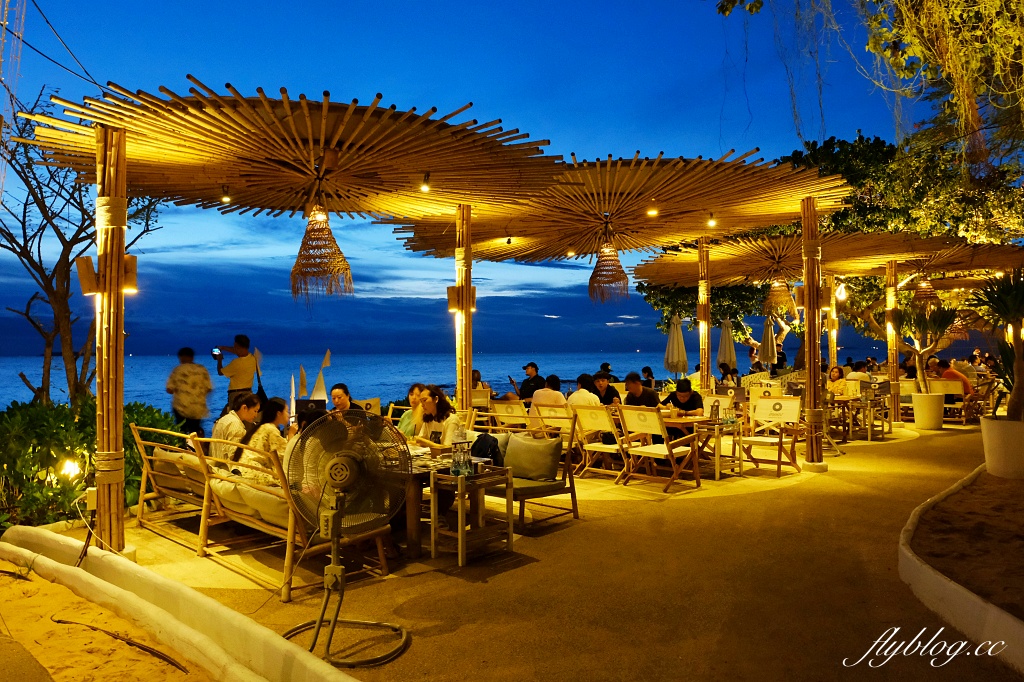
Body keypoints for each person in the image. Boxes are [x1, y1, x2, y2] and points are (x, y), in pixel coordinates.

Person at [244, 397, 297, 485]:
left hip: (246, 468)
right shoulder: (271, 429)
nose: (288, 415)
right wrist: (291, 435)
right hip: (254, 472)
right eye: (286, 412)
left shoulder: (263, 427)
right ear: (279, 413)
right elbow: (286, 456)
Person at [165, 347, 213, 437]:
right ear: (192, 357)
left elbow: (169, 389)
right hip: (198, 408)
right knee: (195, 431)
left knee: (181, 432)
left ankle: (182, 448)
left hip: (181, 407)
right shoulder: (202, 370)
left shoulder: (178, 370)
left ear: (181, 357)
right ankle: (196, 449)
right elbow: (209, 388)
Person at [211, 392, 260, 461]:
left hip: (215, 462)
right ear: (244, 408)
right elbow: (234, 455)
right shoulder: (236, 425)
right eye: (255, 411)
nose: (256, 415)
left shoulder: (224, 419)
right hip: (225, 468)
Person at [215, 334, 257, 415]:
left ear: (238, 347)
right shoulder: (253, 358)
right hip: (248, 394)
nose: (234, 348)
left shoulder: (236, 363)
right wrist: (223, 348)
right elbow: (238, 351)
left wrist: (219, 360)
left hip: (236, 396)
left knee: (233, 417)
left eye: (235, 346)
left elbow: (220, 372)